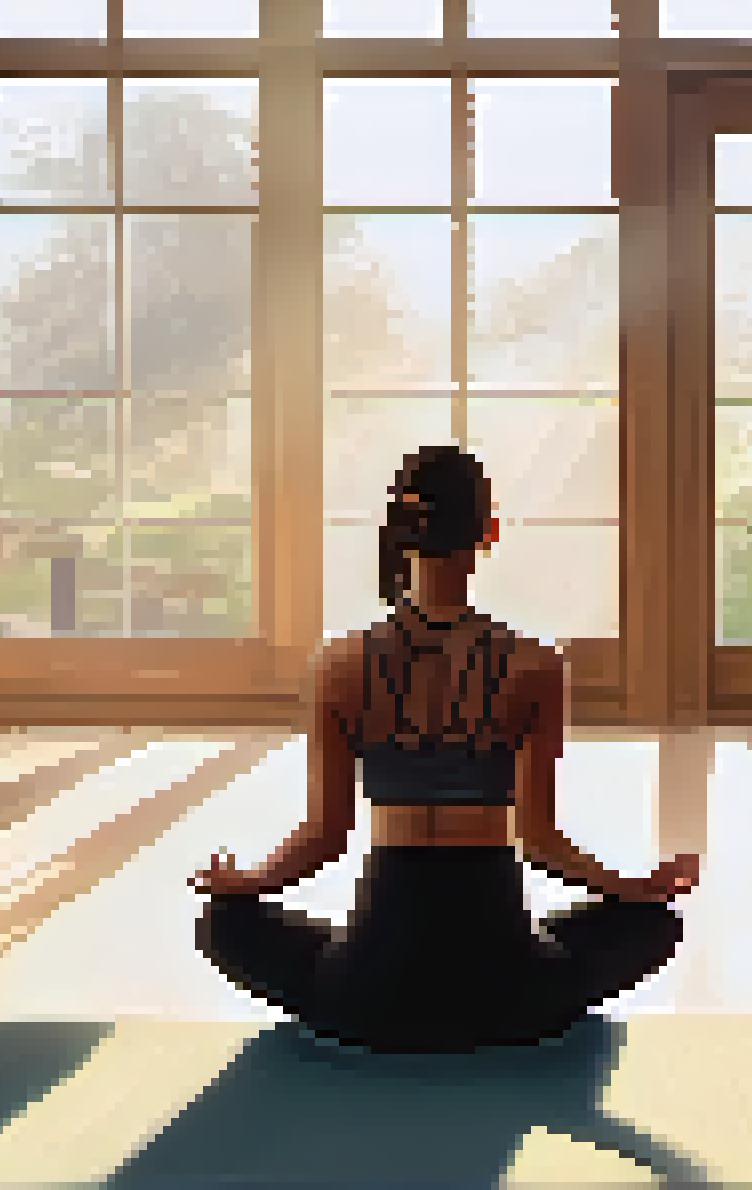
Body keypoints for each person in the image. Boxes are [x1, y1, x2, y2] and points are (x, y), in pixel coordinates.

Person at [191, 444, 701, 1054]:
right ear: (485, 536)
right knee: (652, 925)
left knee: (223, 925)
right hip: (510, 992)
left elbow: (324, 838)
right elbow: (539, 842)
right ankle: (511, 991)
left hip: (369, 995)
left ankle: (386, 995)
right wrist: (634, 887)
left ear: (399, 533)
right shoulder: (535, 664)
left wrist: (245, 881)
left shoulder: (339, 664)